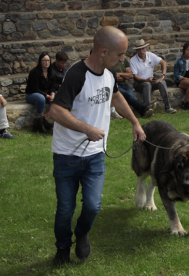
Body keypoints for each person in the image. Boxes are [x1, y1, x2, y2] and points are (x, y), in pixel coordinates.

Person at [48, 26, 146, 266]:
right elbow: (55, 111)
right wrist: (86, 129)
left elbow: (115, 97)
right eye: (120, 54)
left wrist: (135, 122)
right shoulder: (76, 74)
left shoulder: (109, 75)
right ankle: (62, 248)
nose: (123, 60)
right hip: (66, 155)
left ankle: (82, 233)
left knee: (93, 206)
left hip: (95, 156)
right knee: (65, 210)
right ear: (103, 51)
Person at [130, 39, 177, 114]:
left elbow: (163, 62)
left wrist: (162, 75)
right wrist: (146, 80)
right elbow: (135, 77)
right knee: (147, 84)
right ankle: (147, 108)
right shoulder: (133, 60)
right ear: (136, 50)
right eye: (139, 49)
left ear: (146, 48)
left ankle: (168, 107)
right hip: (138, 83)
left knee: (162, 82)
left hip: (150, 80)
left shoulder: (150, 55)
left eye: (143, 48)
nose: (141, 51)